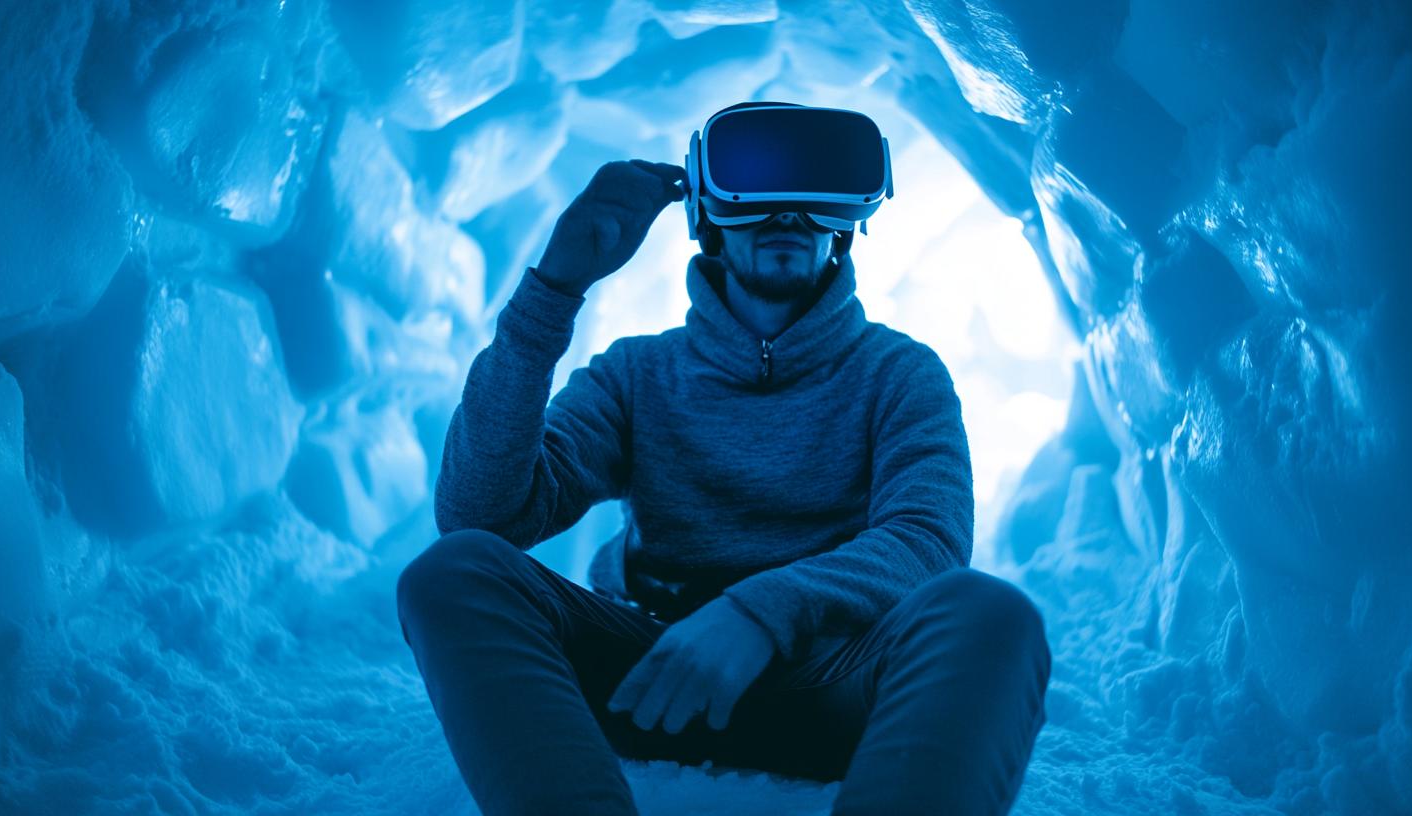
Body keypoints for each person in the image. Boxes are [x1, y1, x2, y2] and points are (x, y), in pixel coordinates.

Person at [397, 102, 1051, 816]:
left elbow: (927, 541)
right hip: (649, 675)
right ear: (705, 211)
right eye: (757, 182)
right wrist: (551, 292)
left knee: (990, 613)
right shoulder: (636, 375)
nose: (790, 213)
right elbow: (479, 516)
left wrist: (759, 612)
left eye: (818, 187)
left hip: (836, 685)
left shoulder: (900, 374)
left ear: (849, 217)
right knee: (453, 570)